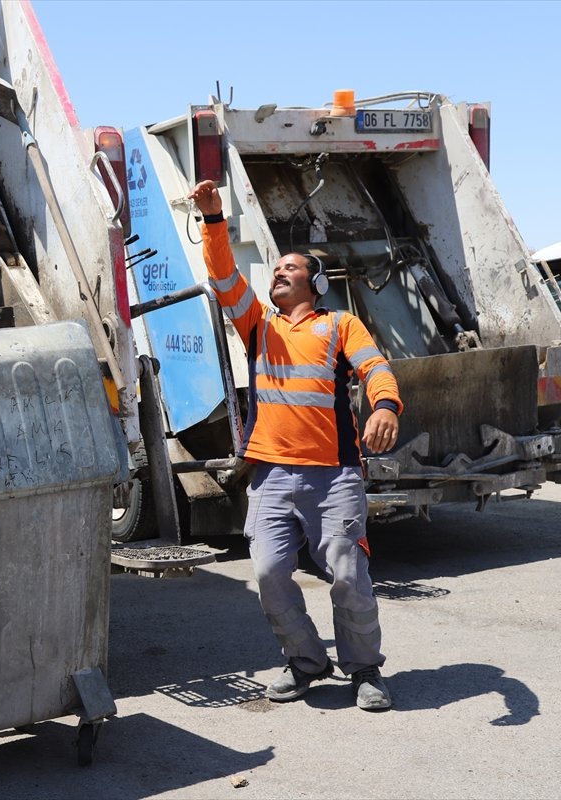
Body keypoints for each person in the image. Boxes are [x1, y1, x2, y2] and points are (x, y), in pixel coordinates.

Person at [188, 179, 401, 711]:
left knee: (349, 573)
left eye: (291, 268)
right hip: (271, 477)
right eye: (276, 268)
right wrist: (214, 219)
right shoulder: (258, 325)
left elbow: (375, 367)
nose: (279, 272)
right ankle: (306, 661)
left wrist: (385, 406)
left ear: (316, 283)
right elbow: (222, 275)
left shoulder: (340, 324)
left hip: (334, 475)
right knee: (267, 574)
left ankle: (365, 670)